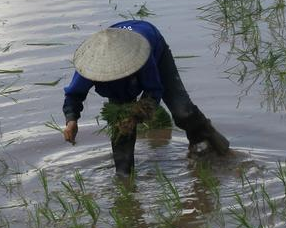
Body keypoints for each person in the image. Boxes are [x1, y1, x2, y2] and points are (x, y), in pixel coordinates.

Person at [61, 20, 230, 175]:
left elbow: (154, 90)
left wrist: (137, 115)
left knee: (182, 111)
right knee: (121, 126)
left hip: (155, 46)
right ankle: (124, 176)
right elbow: (74, 94)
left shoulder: (142, 55)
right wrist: (71, 121)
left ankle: (212, 146)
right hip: (119, 70)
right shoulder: (91, 64)